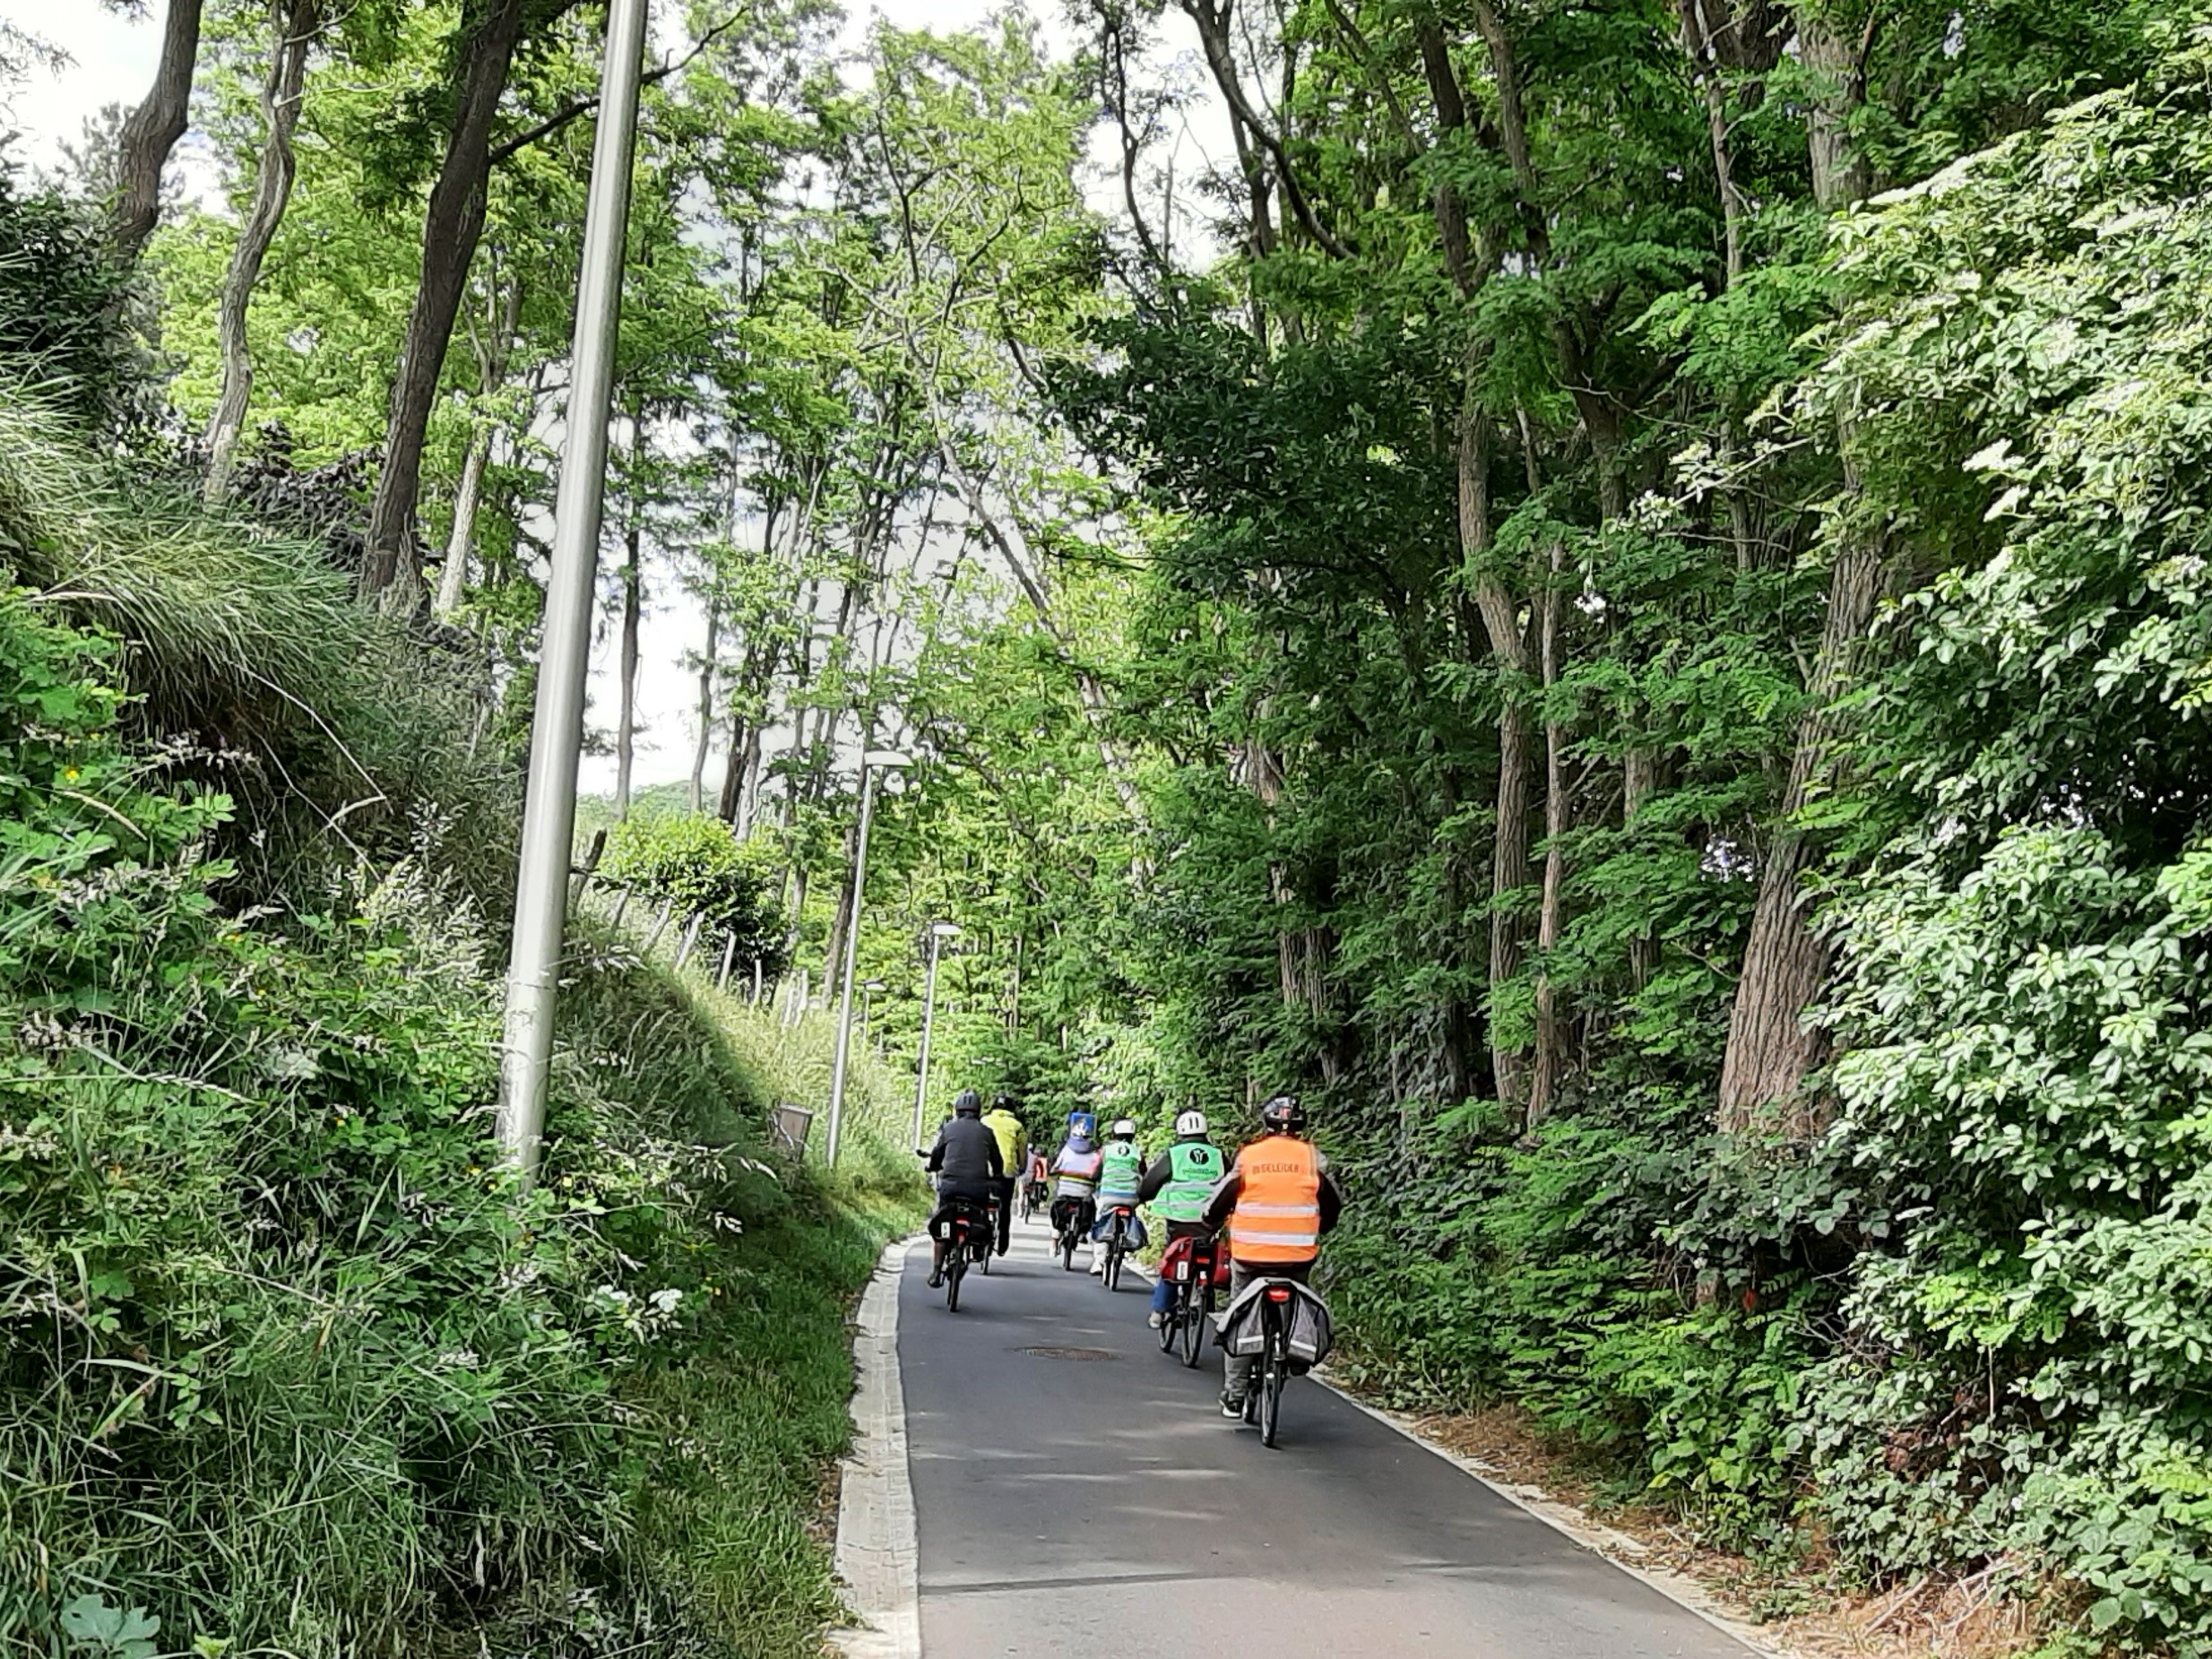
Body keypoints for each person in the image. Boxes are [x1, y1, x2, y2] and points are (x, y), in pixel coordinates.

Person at [1200, 1094, 1343, 1418]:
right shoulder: (1312, 1157)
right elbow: (1331, 1200)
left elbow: (1225, 1194)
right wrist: (1326, 1226)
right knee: (1298, 1299)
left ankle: (1234, 1396)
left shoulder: (1250, 1156)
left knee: (1239, 1312)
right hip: (1298, 1254)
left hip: (1250, 1255)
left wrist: (1209, 1218)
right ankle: (1294, 1352)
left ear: (1266, 1123)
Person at [1136, 1109, 1225, 1328]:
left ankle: (1159, 1311)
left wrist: (1143, 1196)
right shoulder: (1218, 1155)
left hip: (1179, 1222)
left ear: (1180, 1131)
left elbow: (1151, 1182)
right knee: (1209, 1251)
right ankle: (1205, 1294)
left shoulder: (1175, 1154)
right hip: (1210, 1222)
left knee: (1172, 1258)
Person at [923, 1089, 1004, 1289]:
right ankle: (977, 1249)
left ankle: (936, 1270)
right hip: (978, 1189)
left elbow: (937, 1156)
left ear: (957, 1110)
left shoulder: (949, 1129)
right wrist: (998, 1176)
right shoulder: (987, 1132)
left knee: (943, 1223)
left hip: (950, 1187)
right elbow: (997, 1162)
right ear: (978, 1112)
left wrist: (932, 1167)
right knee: (982, 1216)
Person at [1088, 1117, 1147, 1274]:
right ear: (1132, 1135)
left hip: (1108, 1195)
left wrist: (1094, 1179)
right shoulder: (1137, 1152)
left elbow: (1095, 1171)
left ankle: (1098, 1262)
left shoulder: (1106, 1150)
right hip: (1131, 1197)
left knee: (1101, 1220)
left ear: (1114, 1135)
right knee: (1132, 1215)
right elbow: (1144, 1172)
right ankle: (1126, 1240)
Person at [1048, 1111, 1103, 1257]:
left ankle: (1054, 1241)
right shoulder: (1095, 1154)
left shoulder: (1066, 1150)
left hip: (1064, 1192)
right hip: (1085, 1193)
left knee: (1056, 1212)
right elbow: (1097, 1174)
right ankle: (1082, 1234)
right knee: (1091, 1210)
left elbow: (1055, 1168)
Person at [980, 1093, 1027, 1255]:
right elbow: (1022, 1152)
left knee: (979, 1204)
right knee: (1004, 1207)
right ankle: (1002, 1244)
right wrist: (1021, 1168)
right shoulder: (1017, 1126)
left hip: (984, 1170)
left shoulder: (984, 1121)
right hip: (1007, 1173)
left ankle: (977, 1239)